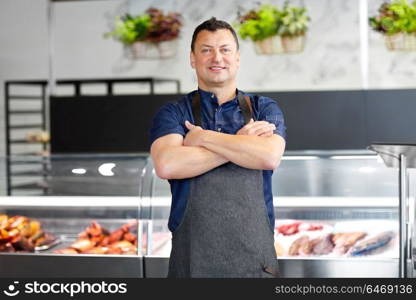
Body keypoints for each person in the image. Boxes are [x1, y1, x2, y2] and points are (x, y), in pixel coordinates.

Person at [150, 17, 286, 278]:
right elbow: (167, 164)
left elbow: (269, 156)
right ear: (192, 58)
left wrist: (202, 138)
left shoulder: (264, 108)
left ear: (237, 58)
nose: (217, 58)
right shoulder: (173, 112)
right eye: (206, 50)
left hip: (255, 262)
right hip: (192, 261)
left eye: (224, 49)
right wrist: (243, 143)